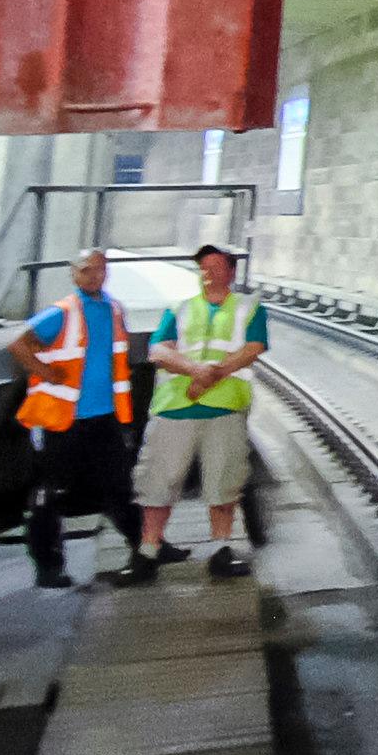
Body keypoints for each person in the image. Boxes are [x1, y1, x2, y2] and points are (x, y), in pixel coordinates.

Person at [15, 247, 156, 588]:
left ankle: (145, 551)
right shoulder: (62, 312)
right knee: (50, 493)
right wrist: (46, 372)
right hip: (62, 421)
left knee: (120, 487)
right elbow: (19, 344)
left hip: (104, 418)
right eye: (87, 270)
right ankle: (48, 567)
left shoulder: (114, 310)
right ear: (74, 274)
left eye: (100, 270)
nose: (95, 276)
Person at [132, 241, 268, 576]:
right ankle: (148, 550)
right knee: (159, 480)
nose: (208, 274)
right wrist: (195, 371)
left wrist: (211, 376)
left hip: (223, 409)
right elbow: (157, 352)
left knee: (224, 480)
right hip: (174, 408)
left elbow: (253, 348)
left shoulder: (248, 308)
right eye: (203, 267)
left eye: (216, 267)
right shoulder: (179, 308)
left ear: (231, 272)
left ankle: (220, 549)